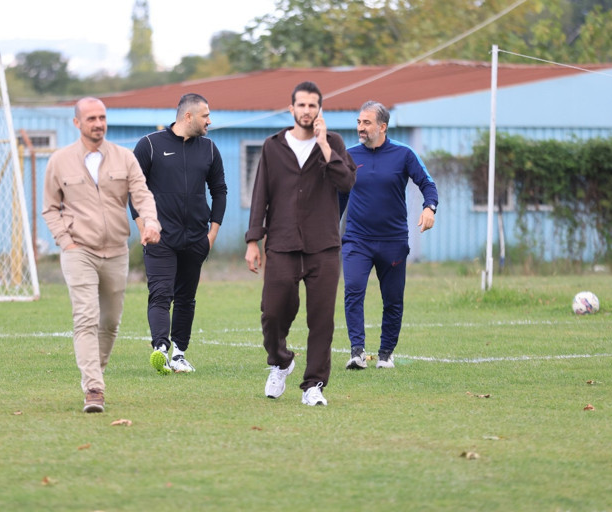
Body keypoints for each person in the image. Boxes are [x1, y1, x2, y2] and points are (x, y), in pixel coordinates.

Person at [43, 97, 161, 413]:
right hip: (78, 250)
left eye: (102, 117)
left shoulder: (125, 158)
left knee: (109, 322)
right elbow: (50, 208)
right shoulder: (59, 161)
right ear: (77, 123)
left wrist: (151, 221)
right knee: (86, 317)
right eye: (92, 118)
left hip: (116, 252)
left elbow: (142, 194)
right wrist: (65, 241)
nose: (98, 123)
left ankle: (96, 371)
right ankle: (94, 388)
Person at [244, 81, 356, 407]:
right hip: (281, 243)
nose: (307, 111)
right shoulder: (272, 146)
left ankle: (314, 386)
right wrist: (254, 240)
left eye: (312, 106)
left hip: (324, 246)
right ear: (291, 108)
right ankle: (280, 362)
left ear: (320, 109)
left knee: (321, 319)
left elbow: (346, 181)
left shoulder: (333, 143)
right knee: (272, 313)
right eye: (301, 105)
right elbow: (260, 195)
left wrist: (323, 144)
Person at [131, 93, 227, 375]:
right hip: (160, 237)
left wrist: (212, 234)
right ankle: (160, 348)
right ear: (188, 117)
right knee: (160, 294)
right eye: (205, 115)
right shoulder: (149, 145)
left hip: (196, 239)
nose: (209, 120)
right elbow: (134, 189)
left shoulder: (209, 149)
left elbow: (219, 191)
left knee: (186, 298)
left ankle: (179, 355)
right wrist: (143, 226)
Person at [340, 101, 438, 370]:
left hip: (393, 241)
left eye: (367, 123)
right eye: (359, 122)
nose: (361, 127)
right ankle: (357, 351)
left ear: (382, 127)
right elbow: (338, 196)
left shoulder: (404, 155)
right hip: (356, 240)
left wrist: (429, 207)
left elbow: (427, 183)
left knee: (393, 299)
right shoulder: (348, 156)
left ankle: (385, 354)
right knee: (353, 291)